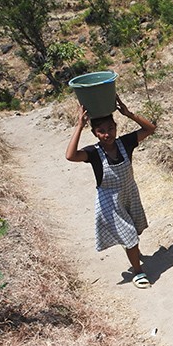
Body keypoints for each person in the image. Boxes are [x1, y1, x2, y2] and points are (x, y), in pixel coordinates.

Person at [65, 95, 156, 288]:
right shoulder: (94, 153)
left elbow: (150, 129)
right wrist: (79, 125)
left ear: (116, 126)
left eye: (111, 128)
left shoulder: (125, 143)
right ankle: (138, 272)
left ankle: (131, 248)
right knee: (130, 235)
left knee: (135, 229)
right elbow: (70, 156)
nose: (108, 134)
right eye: (101, 131)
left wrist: (128, 113)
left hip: (130, 192)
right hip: (110, 201)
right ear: (95, 133)